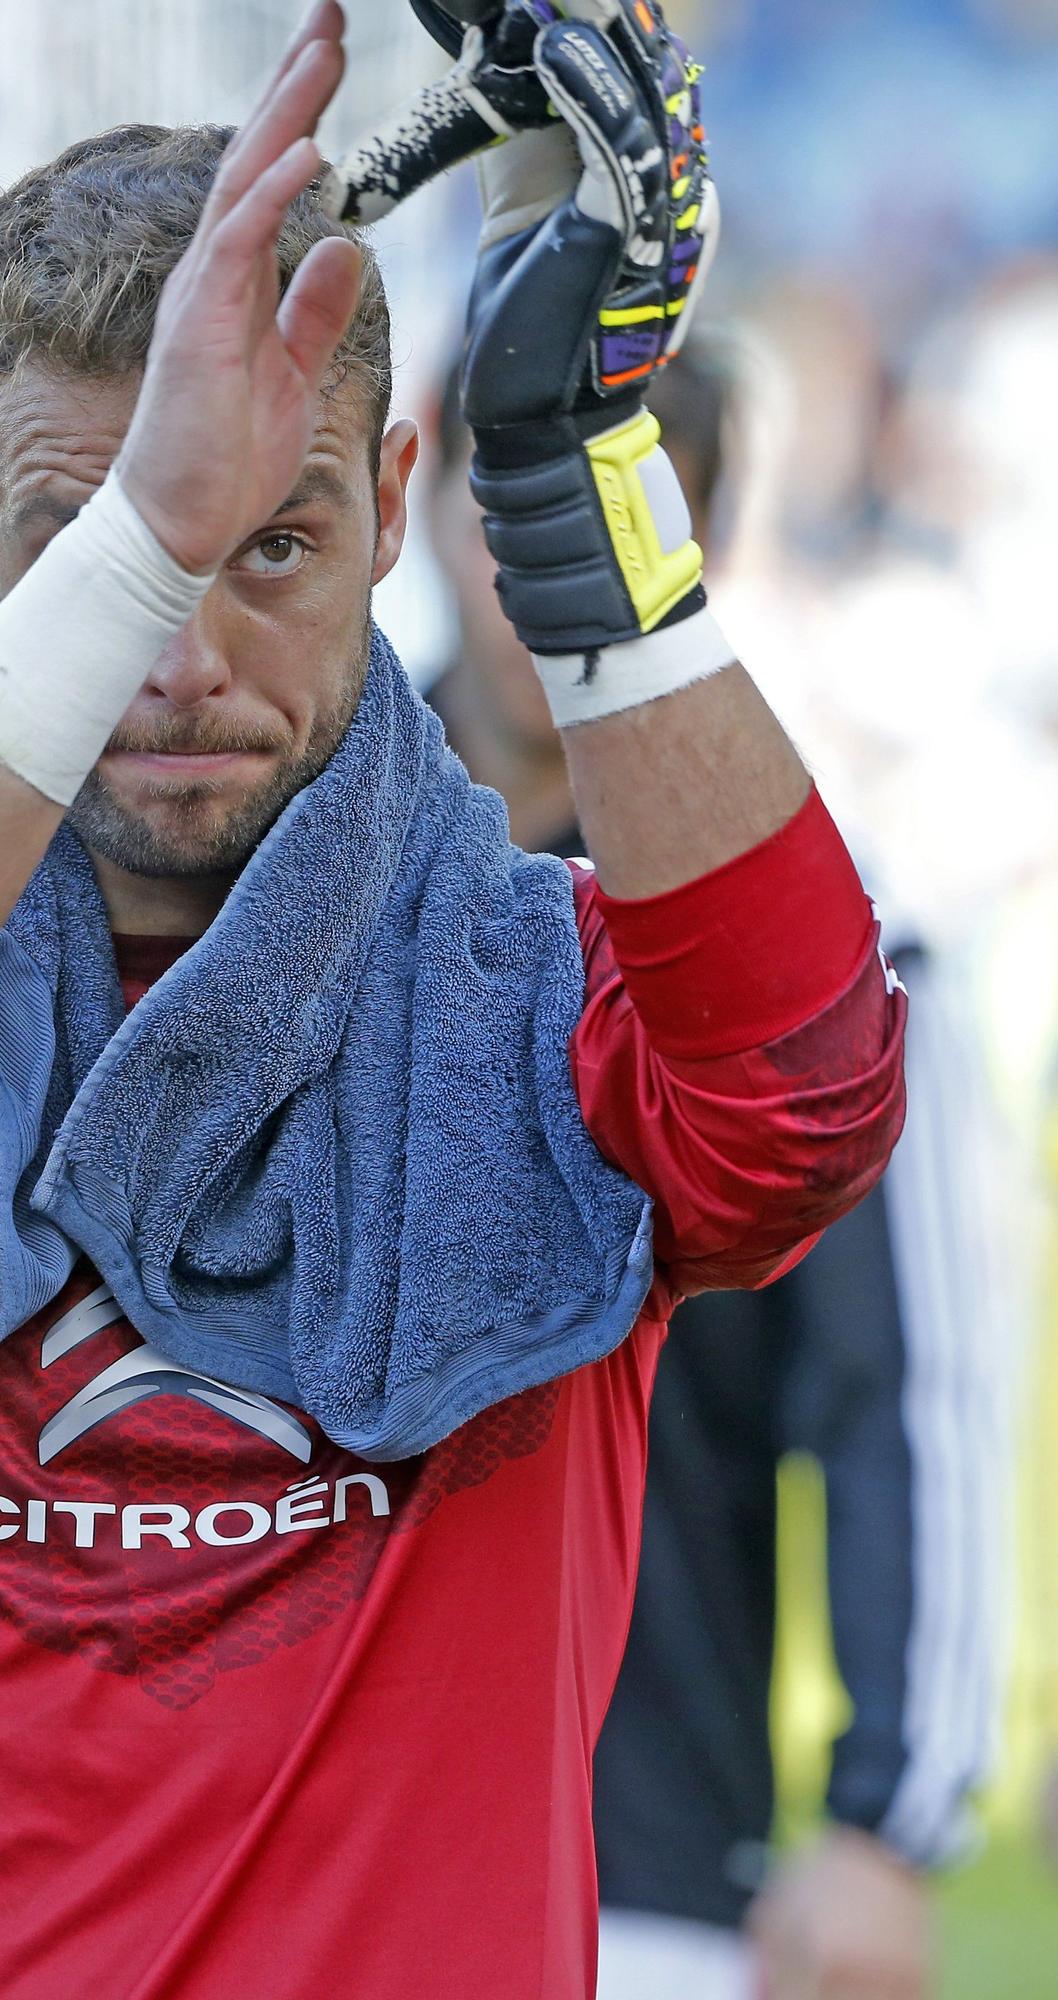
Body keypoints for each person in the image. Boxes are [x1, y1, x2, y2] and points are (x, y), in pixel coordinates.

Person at [0, 5, 905, 1994]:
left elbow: (807, 1097)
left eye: (269, 541)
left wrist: (587, 505)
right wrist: (159, 531)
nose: (181, 649)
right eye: (95, 547)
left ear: (391, 497)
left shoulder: (543, 1002)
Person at [428, 342, 1003, 2000]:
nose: (550, 578)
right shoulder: (270, 865)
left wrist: (883, 1821)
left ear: (701, 553)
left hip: (645, 1861)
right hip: (286, 1831)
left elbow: (908, 1398)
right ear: (430, 508)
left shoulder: (836, 953)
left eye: (614, 526)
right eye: (514, 514)